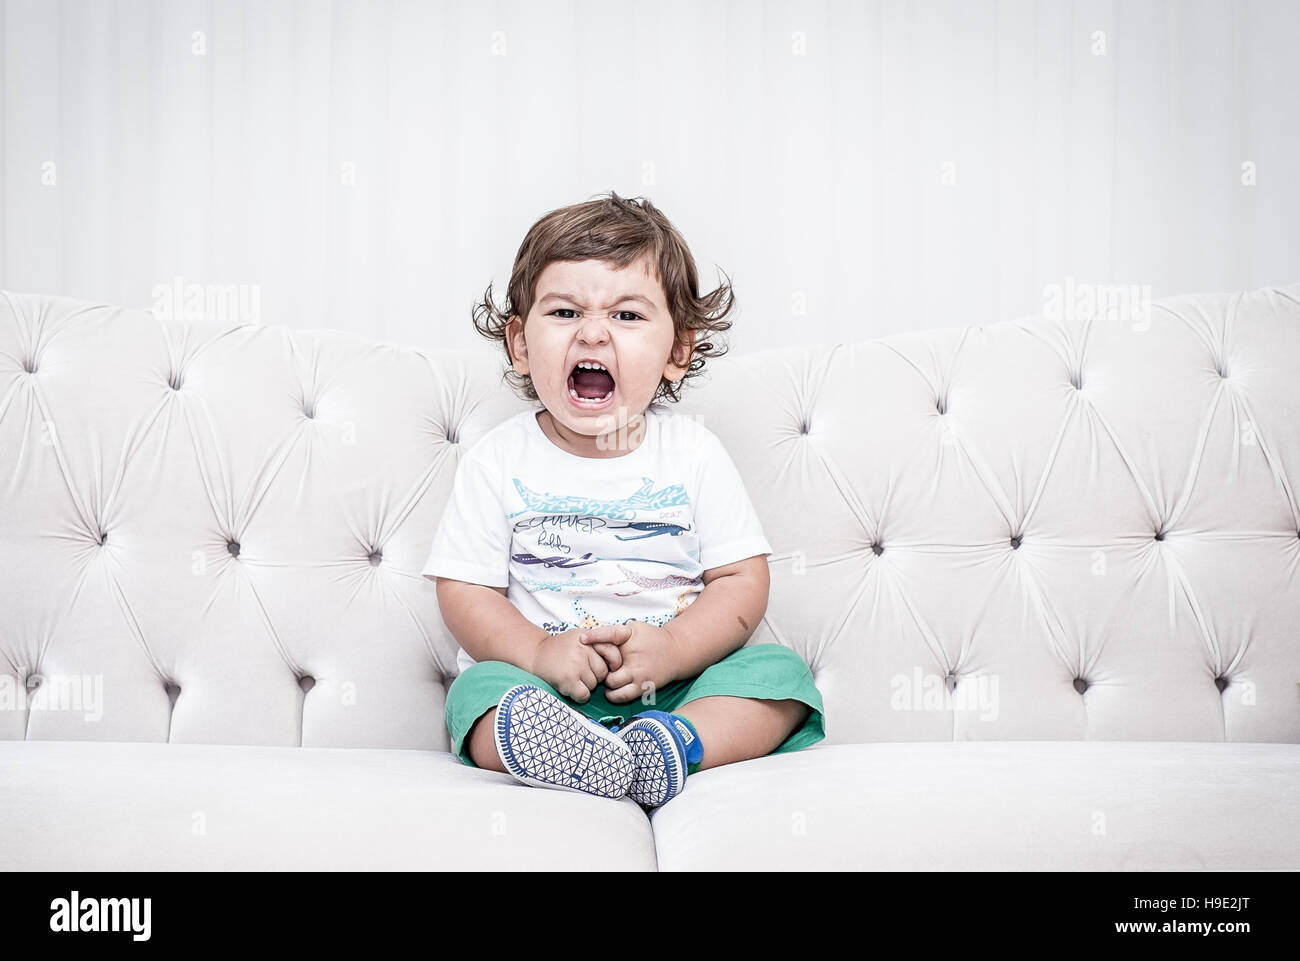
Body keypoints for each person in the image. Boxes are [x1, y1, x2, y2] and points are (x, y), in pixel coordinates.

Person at [424, 191, 825, 808]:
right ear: (520, 345)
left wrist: (674, 650)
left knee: (779, 677)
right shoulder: (498, 460)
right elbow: (464, 590)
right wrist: (537, 651)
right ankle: (570, 753)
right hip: (546, 688)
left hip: (680, 683)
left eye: (627, 316)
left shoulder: (694, 454)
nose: (593, 333)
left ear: (678, 351)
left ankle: (671, 745)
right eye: (563, 313)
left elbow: (742, 580)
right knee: (477, 693)